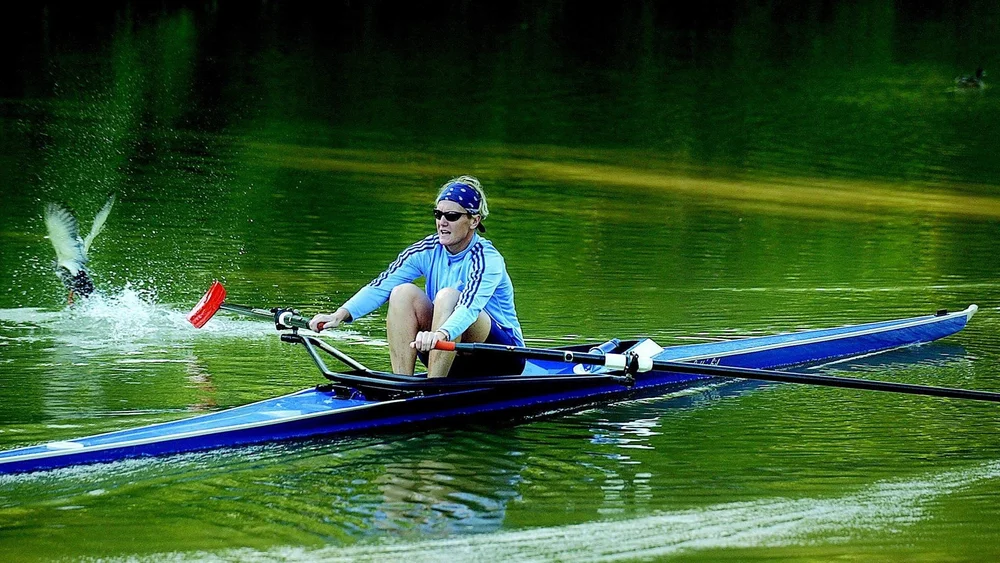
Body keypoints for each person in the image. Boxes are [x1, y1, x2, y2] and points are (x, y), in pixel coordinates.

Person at [308, 176, 524, 378]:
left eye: (451, 216)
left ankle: (433, 389)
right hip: (445, 349)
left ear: (474, 220)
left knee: (448, 297)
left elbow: (469, 308)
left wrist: (440, 334)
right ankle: (403, 383)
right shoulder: (426, 250)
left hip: (501, 357)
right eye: (438, 214)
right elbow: (381, 285)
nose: (442, 222)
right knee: (401, 293)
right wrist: (339, 315)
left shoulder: (487, 259)